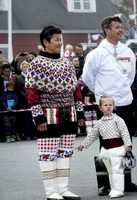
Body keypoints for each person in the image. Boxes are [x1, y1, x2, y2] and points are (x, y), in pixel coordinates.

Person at [82, 15, 137, 195]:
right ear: (107, 30)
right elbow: (87, 78)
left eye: (121, 27)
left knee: (126, 142)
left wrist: (121, 90)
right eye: (117, 27)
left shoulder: (128, 51)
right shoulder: (96, 54)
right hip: (106, 105)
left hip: (125, 102)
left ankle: (126, 181)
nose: (120, 30)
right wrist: (102, 94)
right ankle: (105, 183)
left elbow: (131, 76)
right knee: (106, 144)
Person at [25, 25, 85, 200]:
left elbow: (76, 90)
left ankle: (63, 188)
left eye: (61, 39)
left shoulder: (66, 64)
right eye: (56, 39)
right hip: (48, 115)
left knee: (65, 151)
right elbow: (31, 93)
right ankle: (51, 191)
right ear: (45, 42)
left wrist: (79, 113)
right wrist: (38, 117)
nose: (60, 42)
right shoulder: (36, 64)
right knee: (48, 152)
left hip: (69, 113)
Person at [77, 96, 132, 198]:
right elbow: (92, 135)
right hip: (106, 150)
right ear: (100, 108)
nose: (108, 107)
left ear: (113, 106)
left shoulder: (118, 120)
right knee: (110, 171)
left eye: (110, 105)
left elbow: (124, 132)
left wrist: (128, 144)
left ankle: (119, 190)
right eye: (105, 105)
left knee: (117, 171)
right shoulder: (99, 123)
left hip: (117, 148)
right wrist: (83, 145)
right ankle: (113, 188)